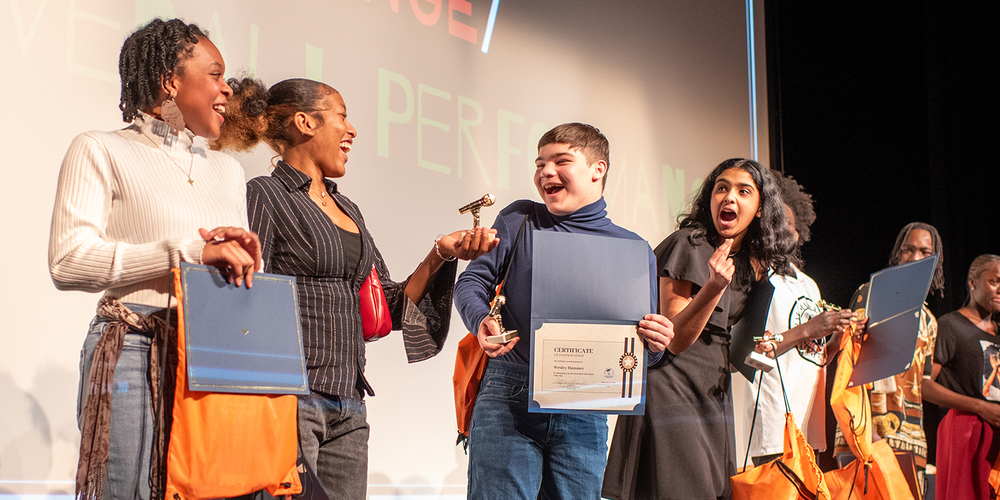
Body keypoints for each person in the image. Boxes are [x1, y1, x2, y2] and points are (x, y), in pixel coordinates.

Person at [213, 77, 497, 499]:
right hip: (289, 397)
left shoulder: (348, 208)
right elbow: (245, 295)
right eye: (342, 117)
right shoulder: (264, 194)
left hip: (349, 401)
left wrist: (441, 252)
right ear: (305, 122)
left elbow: (390, 305)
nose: (352, 130)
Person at [48, 19, 260, 500]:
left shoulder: (228, 171)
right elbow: (68, 261)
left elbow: (224, 272)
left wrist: (245, 262)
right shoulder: (101, 148)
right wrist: (186, 252)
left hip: (212, 351)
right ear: (170, 82)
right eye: (215, 74)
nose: (228, 88)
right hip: (132, 346)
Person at [453, 123, 673, 499]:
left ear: (597, 169)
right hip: (510, 396)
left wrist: (656, 344)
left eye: (561, 161)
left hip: (586, 408)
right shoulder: (520, 219)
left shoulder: (633, 249)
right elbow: (471, 283)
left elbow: (639, 354)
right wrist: (481, 321)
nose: (546, 172)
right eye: (540, 164)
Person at [603, 158, 798, 500]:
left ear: (760, 208)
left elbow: (732, 337)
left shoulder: (751, 263)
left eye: (743, 191)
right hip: (672, 382)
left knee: (712, 488)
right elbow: (675, 339)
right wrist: (713, 287)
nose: (729, 197)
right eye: (721, 188)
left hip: (713, 387)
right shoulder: (688, 244)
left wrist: (758, 345)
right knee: (680, 486)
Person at [740, 171, 855, 466]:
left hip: (809, 420)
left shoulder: (809, 285)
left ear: (798, 233)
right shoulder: (758, 279)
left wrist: (840, 336)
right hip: (775, 421)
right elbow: (749, 355)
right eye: (775, 224)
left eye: (787, 226)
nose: (782, 233)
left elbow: (815, 356)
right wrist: (809, 328)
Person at [832, 222, 944, 491]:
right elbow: (849, 361)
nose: (914, 258)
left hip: (912, 439)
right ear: (897, 254)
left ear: (935, 262)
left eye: (924, 252)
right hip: (865, 432)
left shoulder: (929, 320)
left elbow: (923, 382)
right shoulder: (871, 293)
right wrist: (865, 432)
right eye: (908, 250)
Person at [923, 254, 1000, 499]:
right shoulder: (951, 325)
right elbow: (925, 386)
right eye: (994, 282)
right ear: (972, 282)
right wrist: (980, 407)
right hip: (965, 431)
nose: (999, 289)